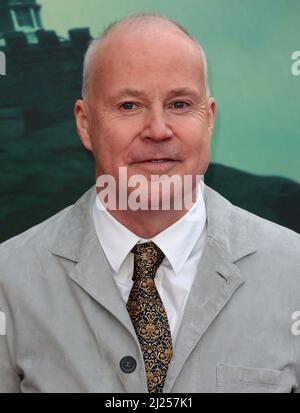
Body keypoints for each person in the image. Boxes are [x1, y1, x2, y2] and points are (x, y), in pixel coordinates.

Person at [0, 12, 300, 394]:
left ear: (209, 119)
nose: (158, 130)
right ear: (85, 123)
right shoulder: (8, 281)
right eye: (128, 106)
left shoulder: (294, 275)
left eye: (178, 104)